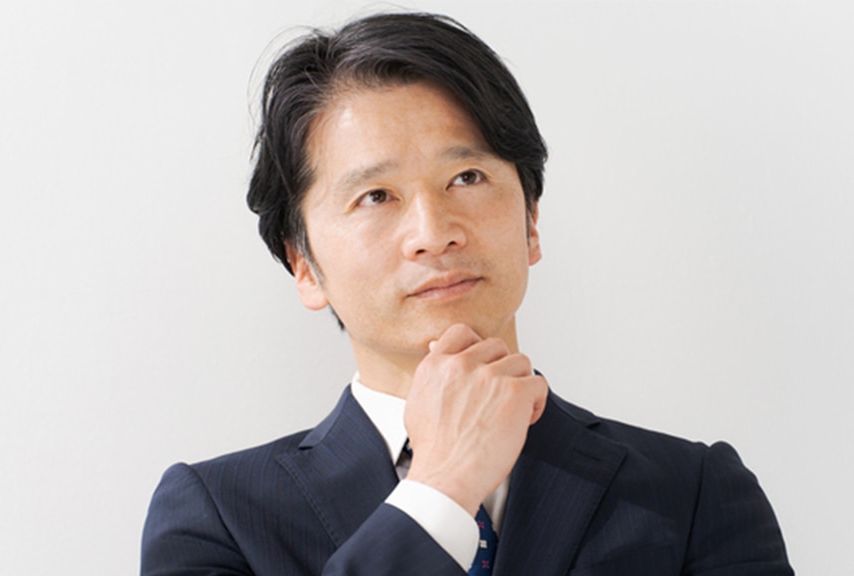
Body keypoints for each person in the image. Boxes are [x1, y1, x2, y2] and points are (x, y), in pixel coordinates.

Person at [141, 12, 792, 575]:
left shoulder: (693, 493)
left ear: (530, 220)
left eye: (468, 177)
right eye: (376, 196)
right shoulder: (216, 515)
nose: (433, 234)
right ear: (304, 265)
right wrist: (441, 489)